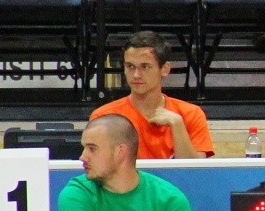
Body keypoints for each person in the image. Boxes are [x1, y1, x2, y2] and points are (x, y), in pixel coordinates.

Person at [57, 114, 196, 211]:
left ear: (120, 151)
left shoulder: (170, 201)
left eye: (92, 148)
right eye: (84, 148)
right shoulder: (77, 192)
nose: (83, 157)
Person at [90, 31, 214, 159]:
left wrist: (177, 125)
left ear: (165, 69)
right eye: (130, 66)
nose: (136, 75)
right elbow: (98, 165)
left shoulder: (191, 114)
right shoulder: (104, 117)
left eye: (145, 67)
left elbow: (194, 169)